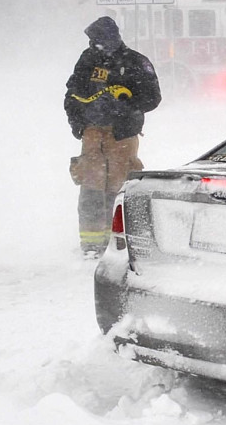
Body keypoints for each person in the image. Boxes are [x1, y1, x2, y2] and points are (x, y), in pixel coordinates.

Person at [64, 16, 162, 254]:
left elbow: (153, 98)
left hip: (122, 137)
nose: (93, 45)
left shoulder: (135, 62)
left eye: (97, 40)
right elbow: (72, 94)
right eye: (91, 40)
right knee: (91, 188)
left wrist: (124, 108)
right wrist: (79, 124)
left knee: (121, 187)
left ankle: (122, 241)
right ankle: (91, 243)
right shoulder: (87, 60)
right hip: (92, 135)